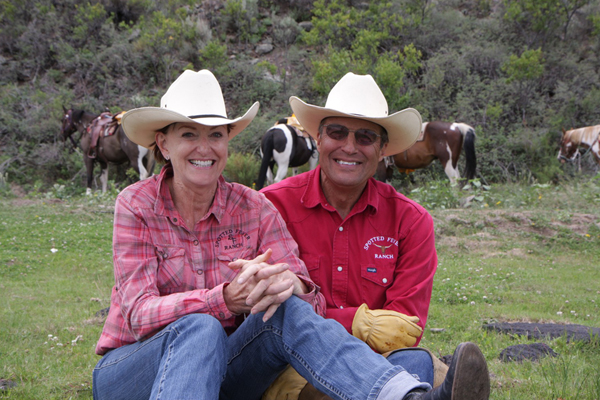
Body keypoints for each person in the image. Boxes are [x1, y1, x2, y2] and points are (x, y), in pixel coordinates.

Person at [91, 69, 487, 400]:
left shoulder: (254, 208)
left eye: (215, 135)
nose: (204, 147)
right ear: (163, 142)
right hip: (134, 367)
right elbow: (139, 314)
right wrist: (224, 299)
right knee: (201, 326)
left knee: (292, 307)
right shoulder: (137, 204)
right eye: (189, 134)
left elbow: (312, 300)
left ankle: (407, 398)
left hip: (228, 367)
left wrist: (292, 285)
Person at [261, 72, 491, 400]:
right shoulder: (272, 205)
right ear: (318, 137)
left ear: (383, 149)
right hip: (292, 363)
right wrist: (359, 321)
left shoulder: (412, 222)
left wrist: (327, 323)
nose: (349, 147)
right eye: (337, 132)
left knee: (412, 359)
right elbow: (267, 312)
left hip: (379, 363)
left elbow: (403, 329)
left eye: (366, 137)